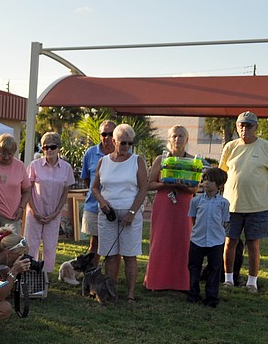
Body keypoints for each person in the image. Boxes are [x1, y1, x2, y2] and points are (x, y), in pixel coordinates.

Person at [219, 110, 268, 294]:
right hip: (232, 205)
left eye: (249, 125)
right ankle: (228, 279)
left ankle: (252, 282)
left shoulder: (267, 147)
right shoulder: (230, 147)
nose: (244, 129)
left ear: (256, 127)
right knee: (230, 242)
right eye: (241, 125)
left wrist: (256, 188)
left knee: (253, 244)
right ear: (237, 126)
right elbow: (222, 173)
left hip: (258, 206)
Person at [91, 123, 149, 302]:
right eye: (123, 143)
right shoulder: (104, 161)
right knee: (110, 255)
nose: (126, 147)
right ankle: (110, 291)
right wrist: (102, 203)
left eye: (129, 143)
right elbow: (94, 188)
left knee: (130, 256)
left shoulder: (137, 160)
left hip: (129, 215)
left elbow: (143, 188)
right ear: (114, 141)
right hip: (108, 214)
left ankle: (130, 294)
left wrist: (132, 212)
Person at [144, 125, 198, 291]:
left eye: (181, 136)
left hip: (183, 204)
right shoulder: (161, 159)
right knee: (160, 240)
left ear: (186, 139)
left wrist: (182, 185)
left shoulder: (193, 160)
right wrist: (166, 183)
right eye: (174, 136)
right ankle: (156, 281)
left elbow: (195, 189)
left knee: (182, 241)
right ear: (169, 139)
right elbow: (150, 184)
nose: (177, 139)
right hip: (164, 203)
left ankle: (180, 283)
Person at [24, 132, 75, 274]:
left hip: (54, 213)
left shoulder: (66, 168)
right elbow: (28, 190)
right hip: (35, 212)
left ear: (59, 148)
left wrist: (56, 213)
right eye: (45, 147)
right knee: (31, 245)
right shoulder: (34, 165)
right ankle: (29, 273)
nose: (49, 150)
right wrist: (34, 211)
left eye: (52, 147)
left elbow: (65, 192)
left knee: (50, 247)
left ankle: (46, 277)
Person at [187, 167, 230, 308]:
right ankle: (193, 294)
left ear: (219, 184)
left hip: (215, 241)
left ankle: (211, 297)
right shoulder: (196, 201)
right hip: (197, 240)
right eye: (204, 180)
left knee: (215, 268)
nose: (206, 183)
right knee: (194, 267)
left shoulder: (223, 203)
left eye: (210, 181)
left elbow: (224, 220)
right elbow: (193, 218)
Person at [79, 119, 116, 264]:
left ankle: (110, 279)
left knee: (113, 247)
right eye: (104, 134)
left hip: (115, 207)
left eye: (110, 134)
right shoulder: (90, 153)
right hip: (94, 206)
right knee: (94, 244)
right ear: (99, 135)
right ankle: (92, 276)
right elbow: (87, 179)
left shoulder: (123, 153)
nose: (107, 138)